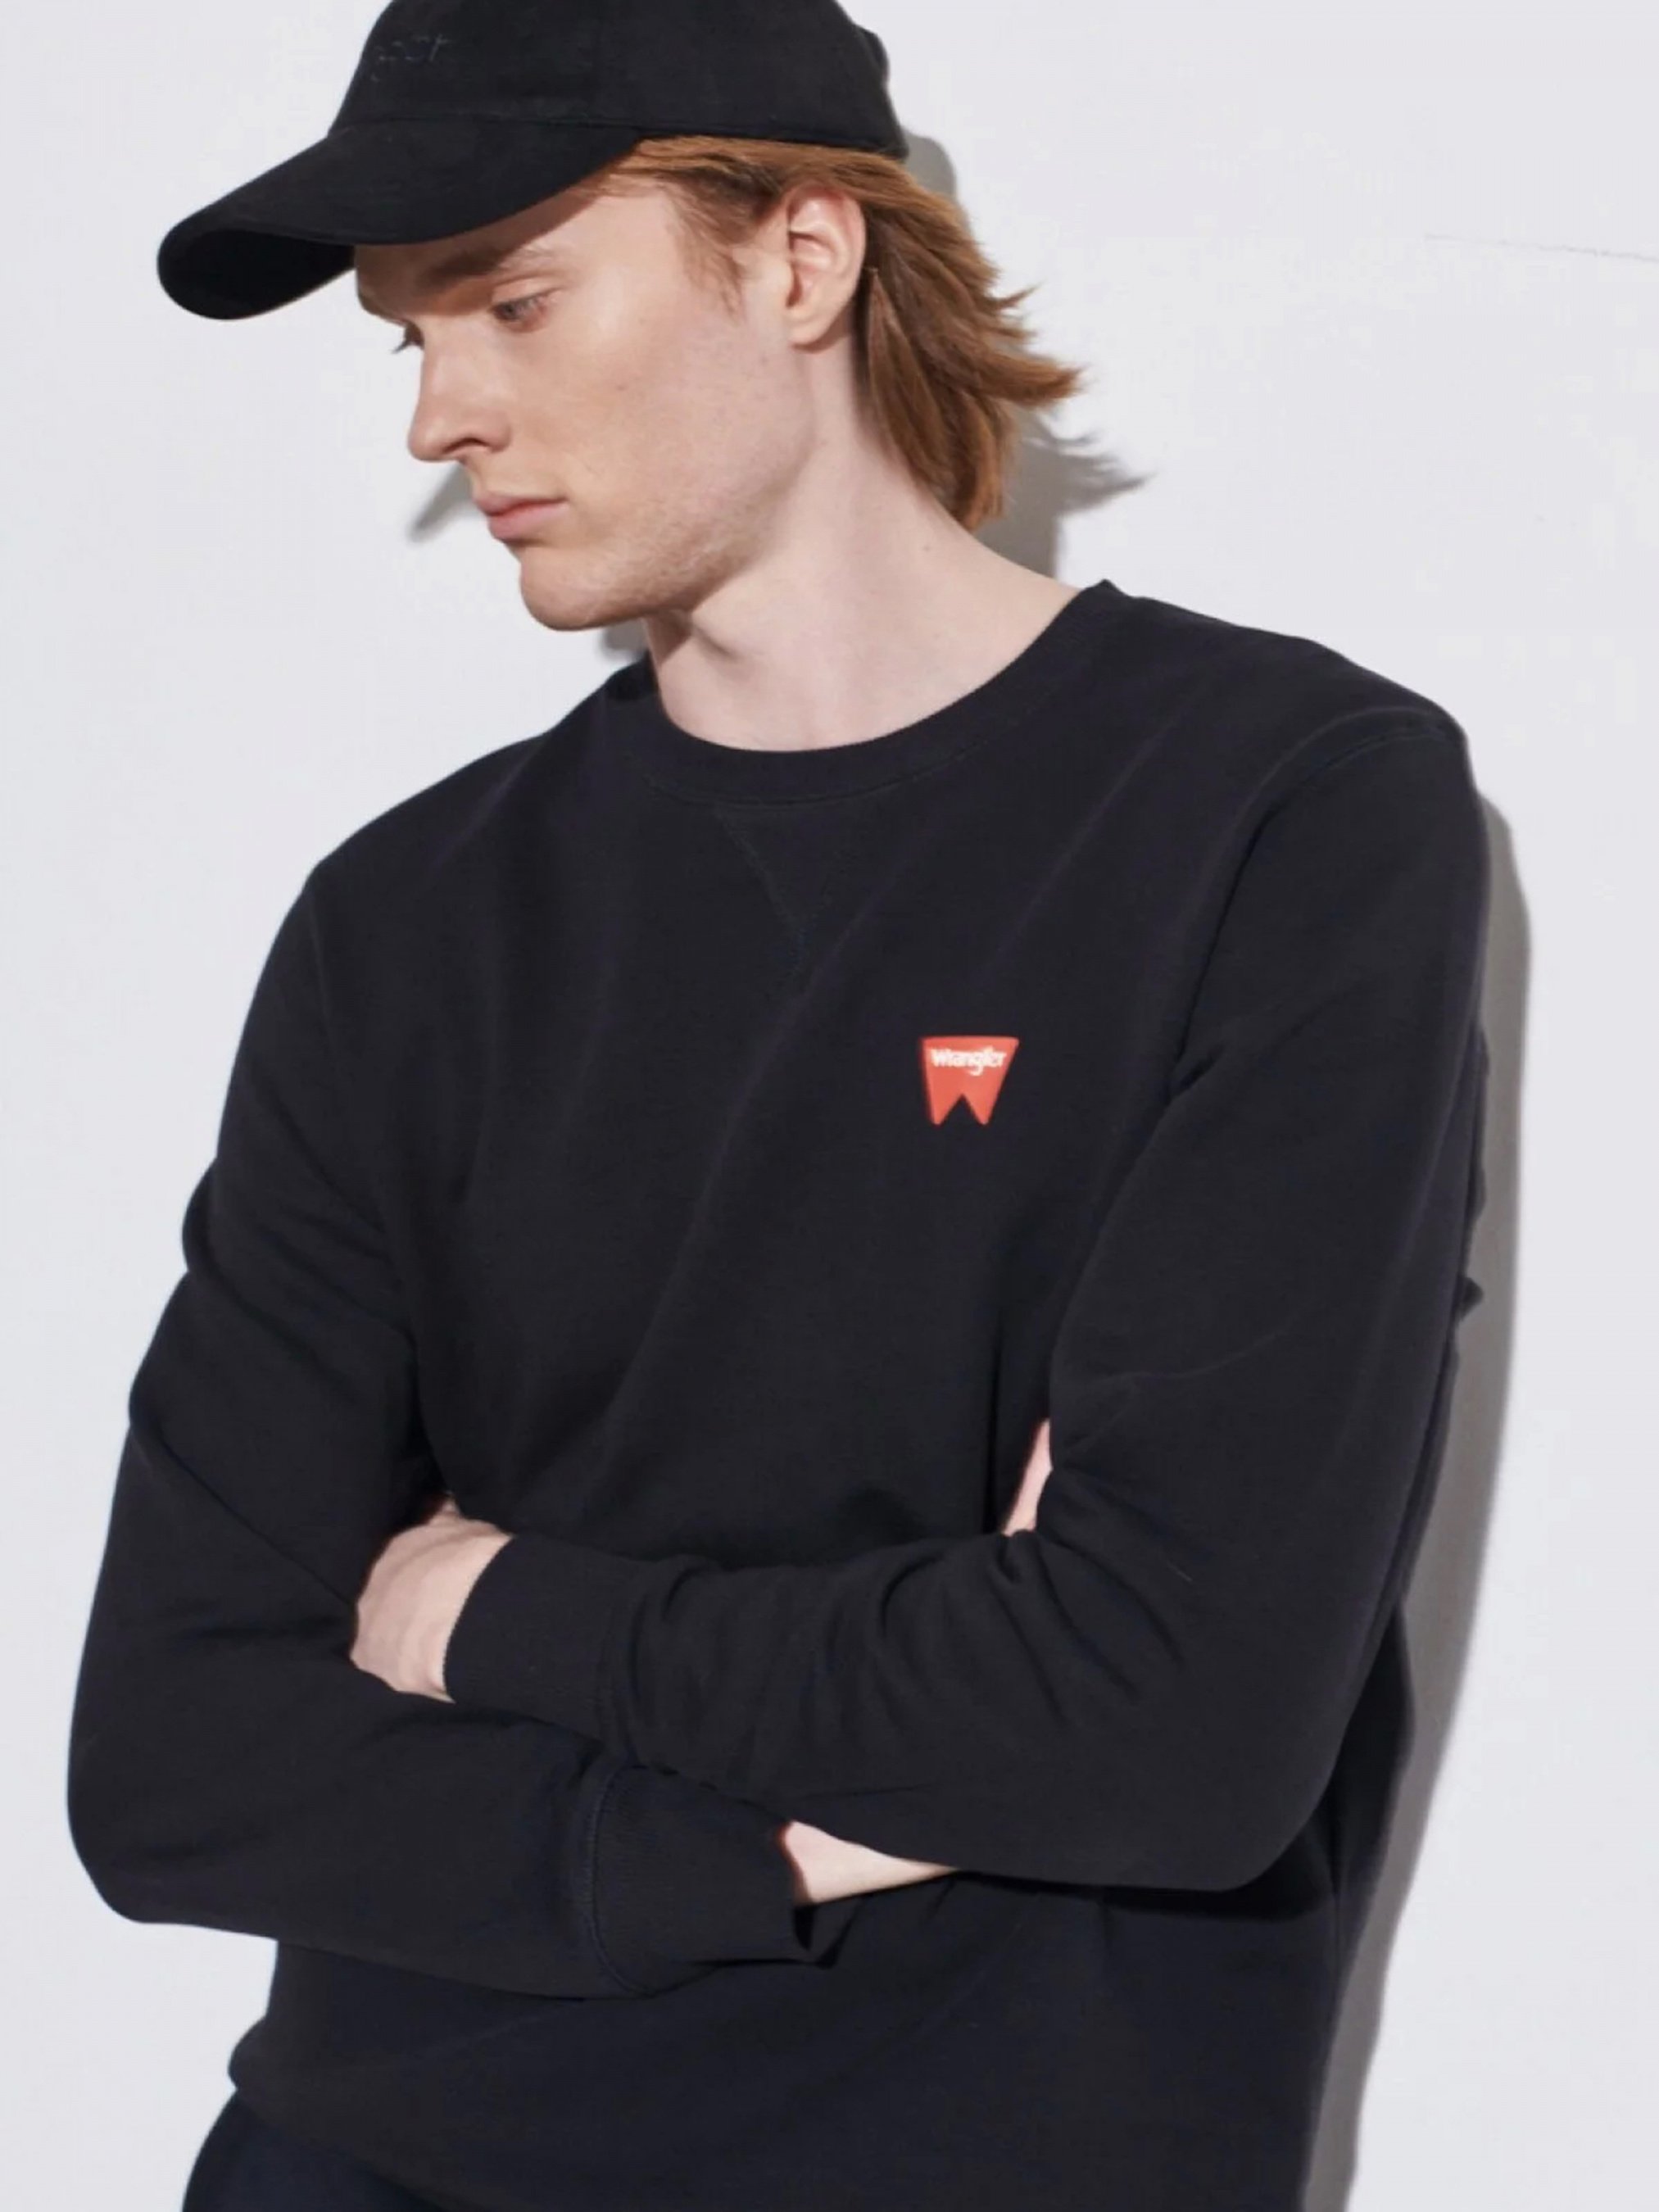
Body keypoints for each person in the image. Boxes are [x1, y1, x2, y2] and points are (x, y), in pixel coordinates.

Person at [66, 2, 1493, 2209]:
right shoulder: (407, 924)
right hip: (373, 2163)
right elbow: (175, 1758)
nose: (442, 416)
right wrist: (788, 1844)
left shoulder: (1280, 812)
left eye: (516, 302)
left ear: (802, 258)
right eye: (409, 339)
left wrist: (484, 1610)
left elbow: (1173, 1717)